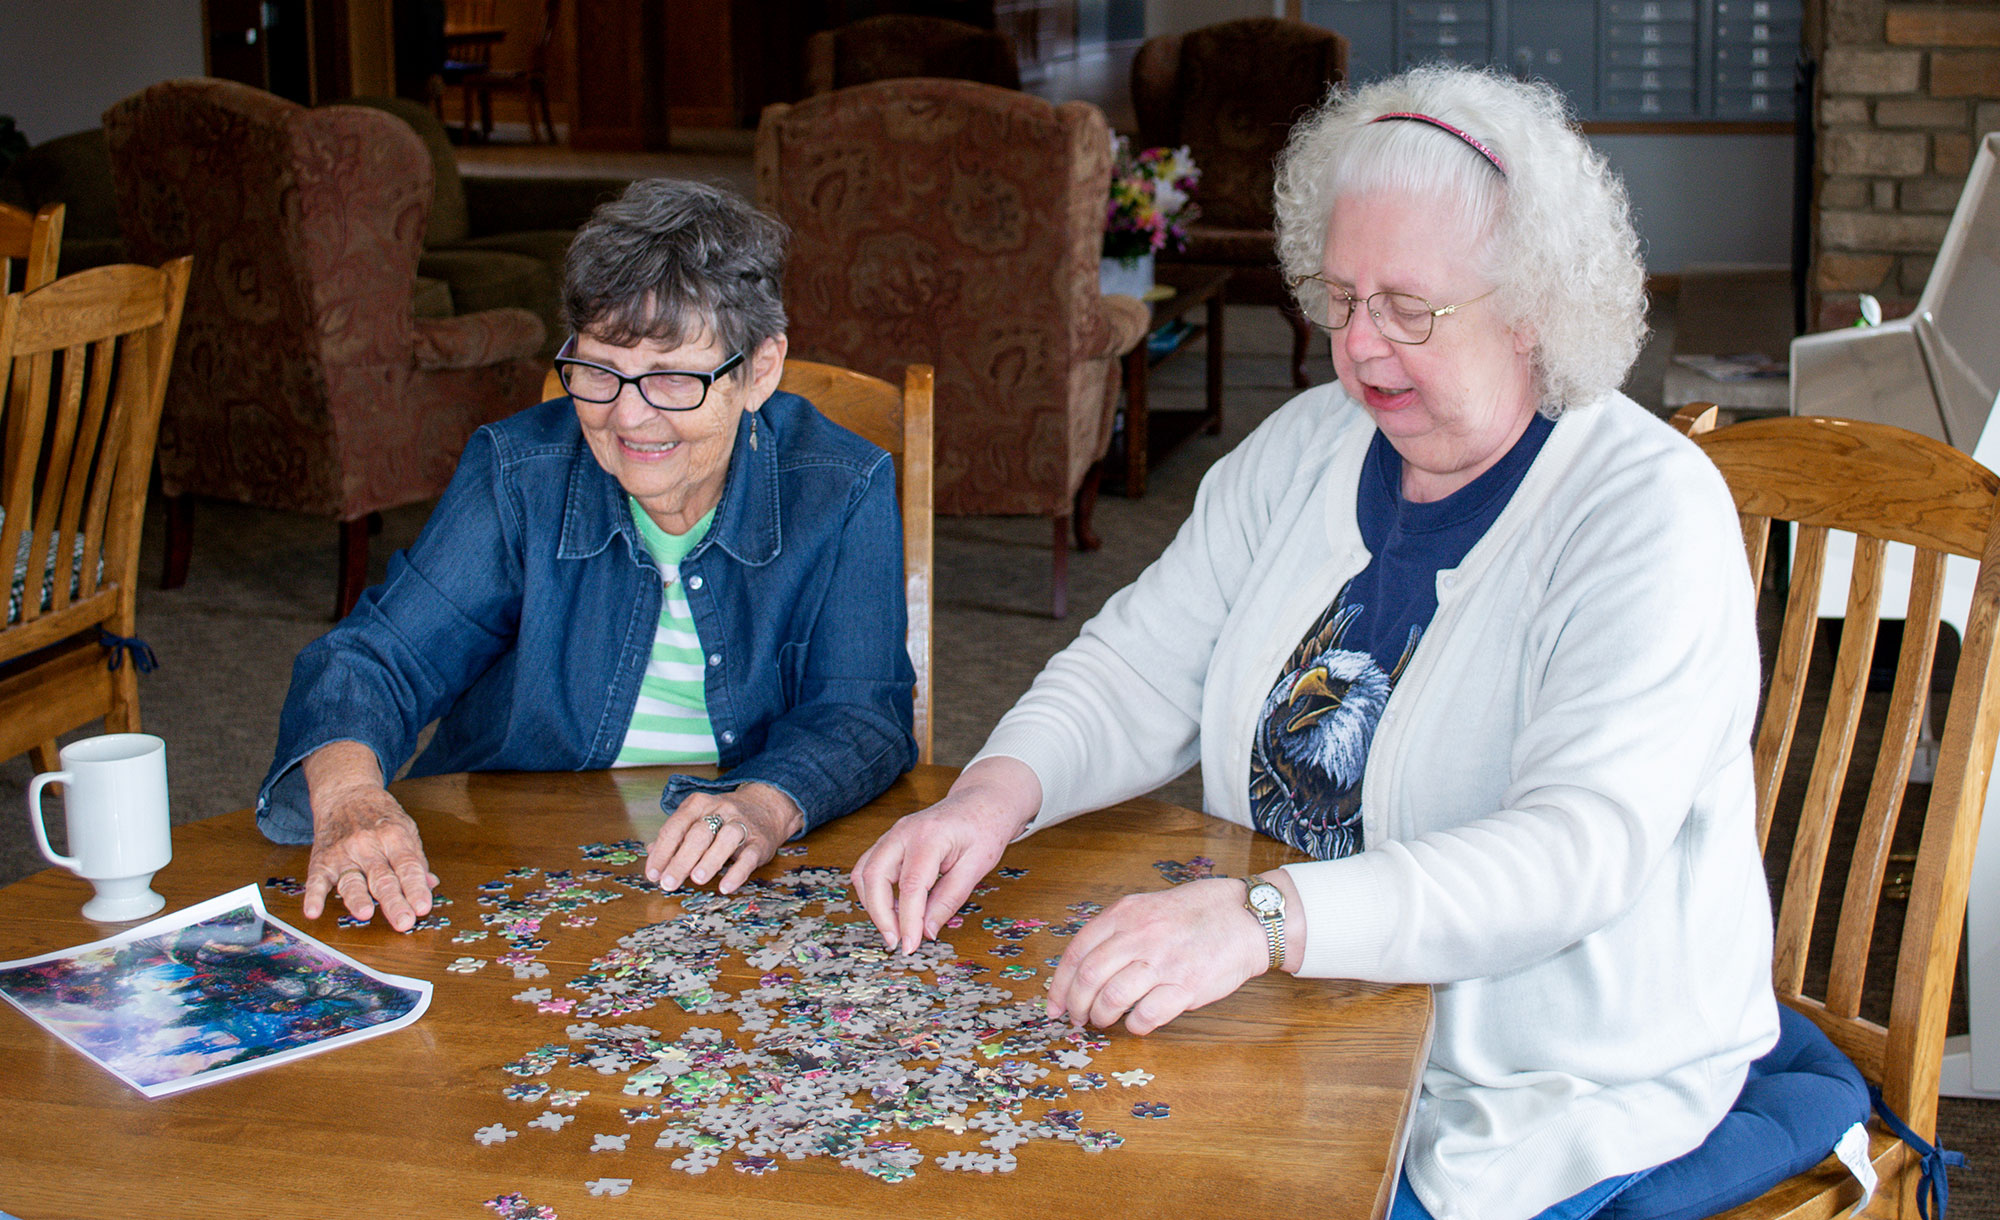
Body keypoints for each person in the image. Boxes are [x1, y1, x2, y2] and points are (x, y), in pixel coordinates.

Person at [854, 65, 1783, 1220]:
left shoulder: (1646, 513)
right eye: (1339, 298)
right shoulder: (1305, 445)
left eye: (1408, 308)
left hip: (1533, 1072)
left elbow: (1573, 849)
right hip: (1296, 1002)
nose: (1360, 350)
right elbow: (1142, 660)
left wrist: (1263, 917)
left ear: (1533, 305)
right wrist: (993, 792)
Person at [259, 179, 917, 931]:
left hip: (743, 874)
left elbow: (860, 712)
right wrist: (350, 796)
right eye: (600, 371)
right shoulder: (518, 472)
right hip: (509, 862)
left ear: (758, 371)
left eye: (672, 378)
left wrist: (762, 805)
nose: (629, 416)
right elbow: (375, 660)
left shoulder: (843, 485)